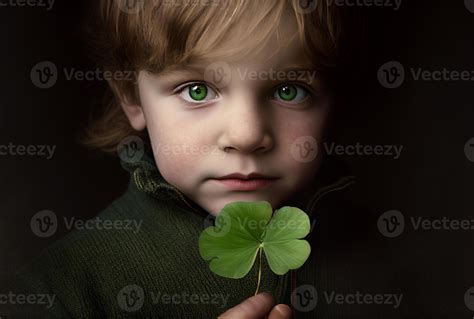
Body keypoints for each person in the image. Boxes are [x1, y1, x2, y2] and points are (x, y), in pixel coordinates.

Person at [5, 1, 400, 318]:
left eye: (289, 90)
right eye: (196, 90)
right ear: (130, 96)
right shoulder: (58, 293)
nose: (246, 135)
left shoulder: (390, 264)